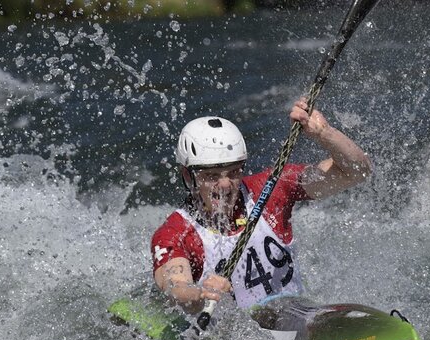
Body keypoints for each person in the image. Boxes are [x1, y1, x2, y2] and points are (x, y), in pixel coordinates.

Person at [151, 99, 372, 315]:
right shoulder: (175, 233)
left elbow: (357, 172)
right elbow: (175, 289)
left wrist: (325, 133)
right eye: (212, 176)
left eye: (234, 172)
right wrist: (201, 294)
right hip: (235, 334)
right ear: (187, 176)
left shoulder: (272, 187)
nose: (225, 184)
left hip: (296, 315)